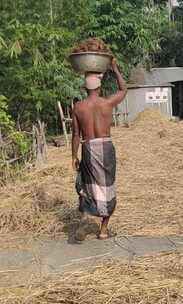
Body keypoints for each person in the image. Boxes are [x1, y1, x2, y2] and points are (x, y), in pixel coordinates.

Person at [71, 58, 127, 240]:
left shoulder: (79, 107)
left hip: (88, 148)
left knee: (87, 185)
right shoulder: (107, 103)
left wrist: (73, 156)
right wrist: (114, 67)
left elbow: (76, 135)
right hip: (106, 147)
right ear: (99, 88)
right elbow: (123, 89)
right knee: (107, 187)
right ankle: (103, 230)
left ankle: (85, 218)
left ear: (86, 89)